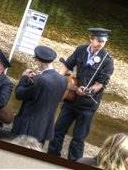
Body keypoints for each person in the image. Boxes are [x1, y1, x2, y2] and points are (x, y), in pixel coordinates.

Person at [48, 27, 116, 162]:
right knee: (58, 130)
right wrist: (57, 80)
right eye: (99, 41)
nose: (102, 44)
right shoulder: (80, 50)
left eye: (104, 41)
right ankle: (52, 157)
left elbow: (101, 83)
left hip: (88, 105)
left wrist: (89, 91)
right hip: (71, 99)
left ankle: (75, 162)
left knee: (78, 138)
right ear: (91, 39)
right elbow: (67, 65)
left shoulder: (107, 60)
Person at [11, 45, 68, 144]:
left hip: (28, 127)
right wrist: (36, 78)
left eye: (36, 60)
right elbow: (46, 95)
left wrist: (24, 78)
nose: (36, 63)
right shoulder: (63, 79)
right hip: (45, 127)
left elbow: (19, 94)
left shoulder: (39, 79)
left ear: (40, 62)